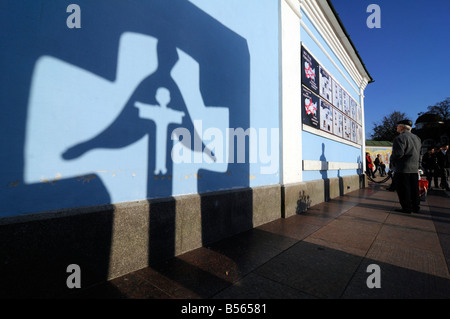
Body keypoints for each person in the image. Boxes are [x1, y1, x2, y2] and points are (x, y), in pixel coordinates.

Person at [390, 119, 422, 213]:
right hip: (414, 168)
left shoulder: (399, 138)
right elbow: (420, 154)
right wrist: (418, 166)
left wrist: (392, 161)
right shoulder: (417, 138)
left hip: (402, 168)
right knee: (414, 189)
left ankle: (406, 208)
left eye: (398, 125)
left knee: (404, 190)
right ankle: (416, 207)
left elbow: (398, 154)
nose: (397, 127)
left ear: (402, 127)